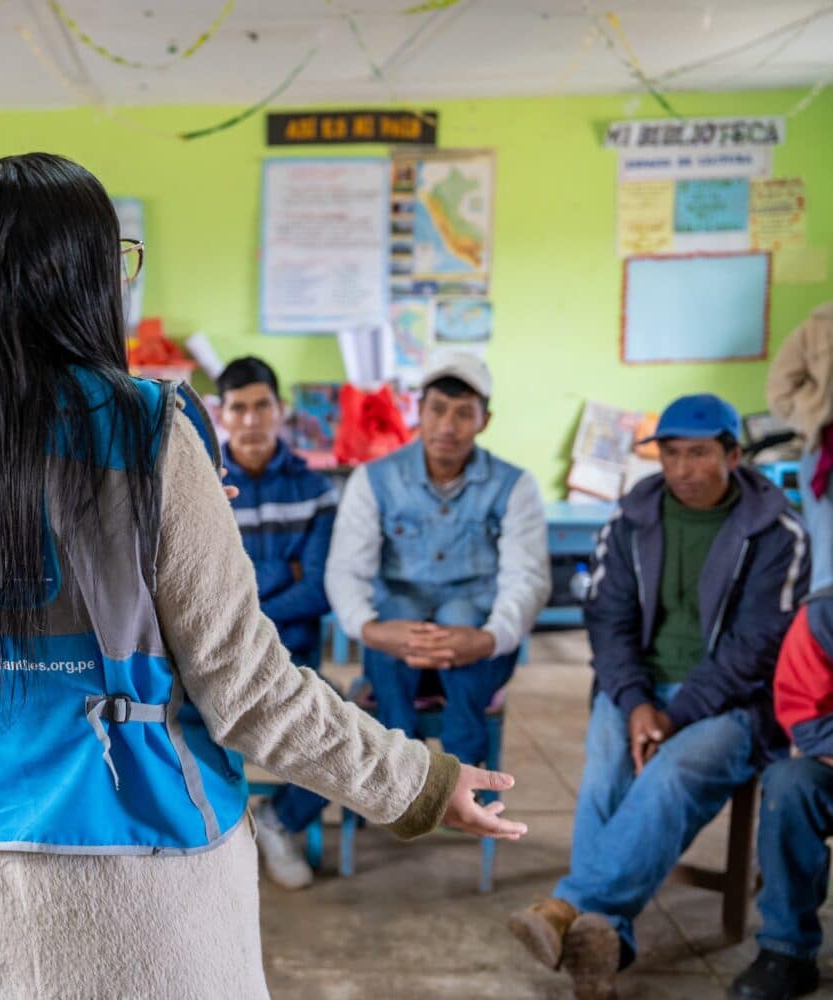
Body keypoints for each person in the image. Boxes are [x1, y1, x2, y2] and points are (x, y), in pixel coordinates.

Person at [0, 152, 524, 998]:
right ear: (94, 277)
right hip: (141, 881)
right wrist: (419, 781)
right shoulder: (143, 427)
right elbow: (250, 693)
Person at [508, 393, 809, 999]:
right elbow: (607, 619)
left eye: (698, 455)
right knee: (604, 779)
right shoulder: (631, 518)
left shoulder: (778, 531)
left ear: (733, 455)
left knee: (669, 775)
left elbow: (756, 648)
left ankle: (567, 908)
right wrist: (636, 700)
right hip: (637, 691)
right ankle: (606, 939)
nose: (681, 470)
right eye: (669, 455)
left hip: (732, 703)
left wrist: (674, 714)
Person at [324, 354, 549, 758]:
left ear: (485, 420)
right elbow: (346, 569)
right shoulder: (373, 479)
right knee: (396, 612)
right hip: (396, 647)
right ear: (418, 410)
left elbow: (527, 577)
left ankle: (464, 772)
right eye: (438, 410)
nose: (448, 426)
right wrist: (372, 630)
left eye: (464, 413)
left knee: (461, 617)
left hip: (477, 649)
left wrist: (487, 638)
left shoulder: (515, 486)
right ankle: (401, 771)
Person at [213, 356, 340, 890]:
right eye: (238, 408)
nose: (251, 419)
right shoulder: (201, 484)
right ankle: (215, 834)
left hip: (295, 663)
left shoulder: (315, 491)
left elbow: (317, 590)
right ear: (221, 415)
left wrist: (246, 593)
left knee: (339, 729)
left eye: (261, 405)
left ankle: (279, 820)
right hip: (218, 661)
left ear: (281, 409)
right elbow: (199, 589)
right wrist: (278, 572)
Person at [727, 590, 833, 1000]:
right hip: (826, 764)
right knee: (788, 786)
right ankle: (786, 950)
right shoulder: (822, 615)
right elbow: (805, 718)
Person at [767, 301, 833, 591]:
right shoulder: (818, 327)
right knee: (826, 553)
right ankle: (823, 626)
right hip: (825, 452)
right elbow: (779, 388)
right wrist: (810, 420)